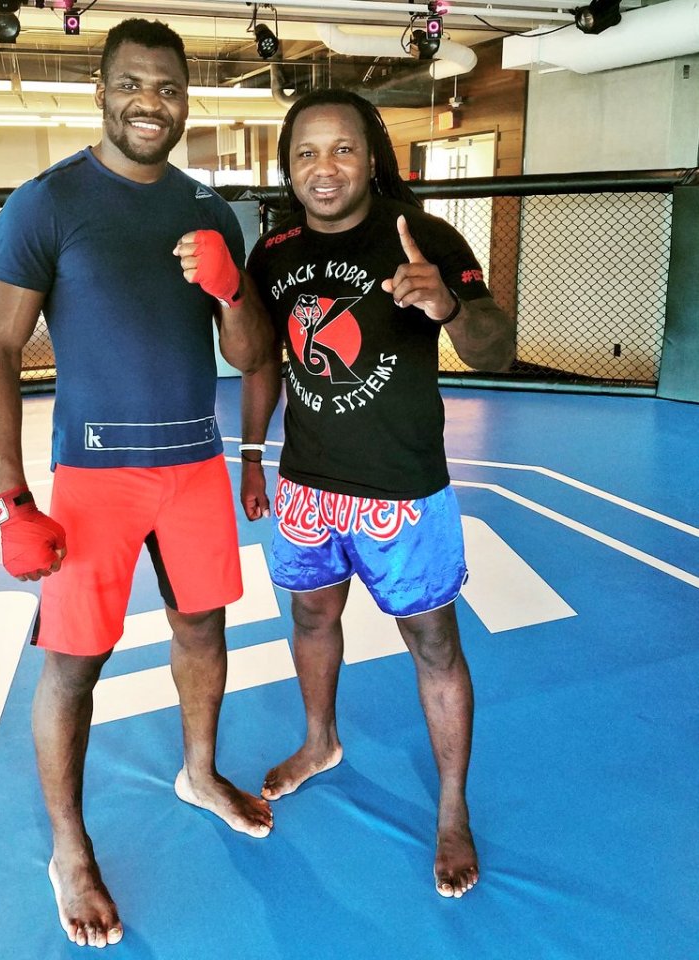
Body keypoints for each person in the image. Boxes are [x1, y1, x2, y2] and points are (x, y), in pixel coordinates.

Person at [0, 18, 275, 949]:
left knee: (204, 628)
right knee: (74, 666)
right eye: (134, 85)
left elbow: (255, 355)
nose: (152, 103)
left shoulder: (210, 209)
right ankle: (70, 848)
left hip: (192, 465)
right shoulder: (46, 203)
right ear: (101, 90)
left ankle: (199, 769)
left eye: (170, 88)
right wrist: (11, 500)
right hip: (96, 475)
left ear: (188, 98)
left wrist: (231, 288)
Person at [240, 88, 516, 899]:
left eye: (342, 150)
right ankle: (320, 739)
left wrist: (451, 304)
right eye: (305, 154)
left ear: (371, 157)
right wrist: (253, 451)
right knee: (311, 616)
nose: (323, 169)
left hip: (403, 487)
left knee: (433, 644)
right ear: (288, 168)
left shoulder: (422, 234)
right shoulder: (277, 251)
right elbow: (264, 359)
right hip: (308, 485)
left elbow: (496, 348)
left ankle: (453, 807)